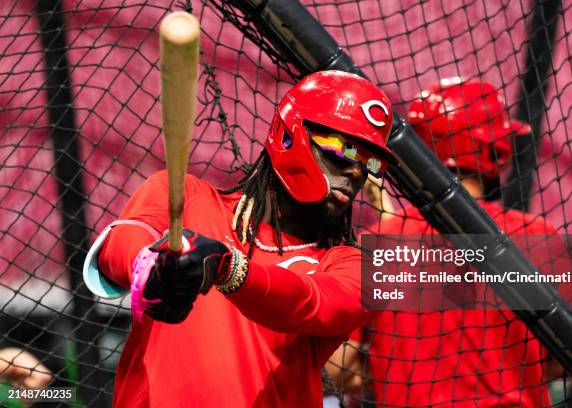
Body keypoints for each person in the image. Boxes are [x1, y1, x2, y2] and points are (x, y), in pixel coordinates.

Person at [82, 70, 398, 407]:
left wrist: (230, 269)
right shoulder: (185, 197)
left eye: (370, 163)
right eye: (345, 150)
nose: (356, 172)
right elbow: (122, 243)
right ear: (289, 135)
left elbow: (310, 302)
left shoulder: (356, 266)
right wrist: (151, 268)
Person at [327, 78, 572, 407]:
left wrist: (394, 368)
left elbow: (340, 366)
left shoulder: (379, 242)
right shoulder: (535, 236)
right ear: (493, 150)